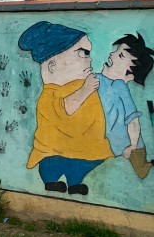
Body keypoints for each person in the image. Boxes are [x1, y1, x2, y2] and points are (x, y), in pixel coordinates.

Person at [18, 21, 112, 196]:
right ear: (53, 65)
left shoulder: (81, 84)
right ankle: (51, 181)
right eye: (82, 53)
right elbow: (65, 109)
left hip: (84, 146)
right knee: (53, 163)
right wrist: (86, 90)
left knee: (81, 163)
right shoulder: (50, 95)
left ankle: (75, 183)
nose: (89, 58)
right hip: (56, 148)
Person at [98, 33, 154, 180]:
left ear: (130, 76)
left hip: (130, 145)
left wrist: (133, 145)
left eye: (121, 56)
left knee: (140, 171)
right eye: (116, 51)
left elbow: (133, 120)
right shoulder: (98, 79)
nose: (112, 54)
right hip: (107, 144)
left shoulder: (120, 86)